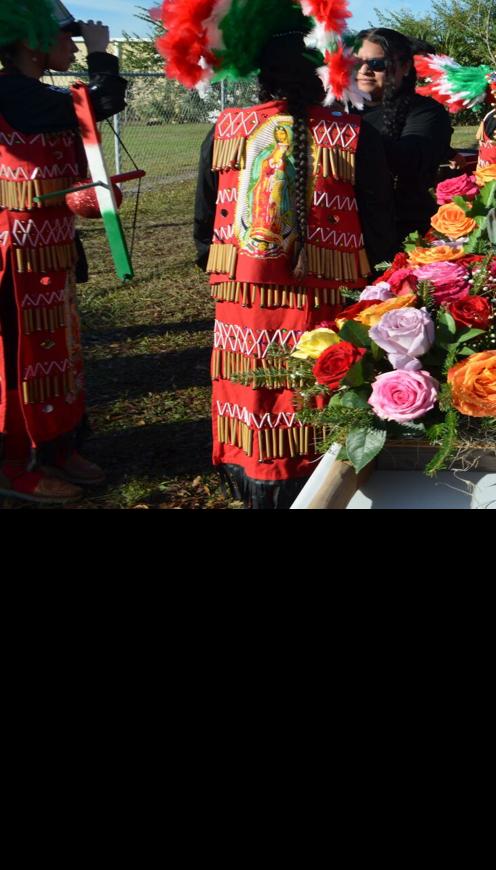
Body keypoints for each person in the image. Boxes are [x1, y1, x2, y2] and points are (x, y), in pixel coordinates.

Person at [181, 10, 398, 508]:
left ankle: (255, 480)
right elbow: (380, 230)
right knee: (317, 384)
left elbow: (203, 227)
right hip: (323, 302)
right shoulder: (354, 134)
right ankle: (325, 488)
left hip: (244, 300)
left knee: (252, 391)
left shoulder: (226, 129)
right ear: (321, 71)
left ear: (259, 74)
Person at [0, 0, 124, 503]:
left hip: (51, 250)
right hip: (16, 256)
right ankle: (14, 463)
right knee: (19, 359)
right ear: (31, 42)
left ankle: (54, 444)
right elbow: (101, 101)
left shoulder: (36, 93)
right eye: (65, 38)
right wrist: (101, 55)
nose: (72, 47)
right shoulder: (10, 91)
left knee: (58, 352)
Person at [355, 28, 453, 241]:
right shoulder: (337, 110)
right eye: (355, 62)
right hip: (341, 231)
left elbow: (410, 159)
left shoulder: (427, 111)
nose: (364, 70)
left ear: (405, 67)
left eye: (377, 64)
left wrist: (345, 127)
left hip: (402, 233)